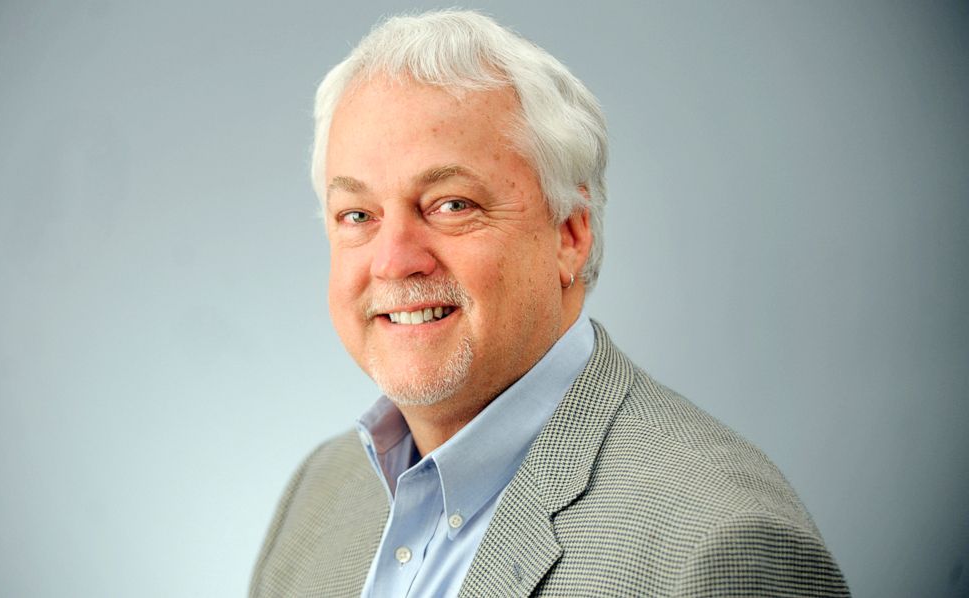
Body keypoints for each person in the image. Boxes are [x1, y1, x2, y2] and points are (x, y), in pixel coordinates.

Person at [250, 10, 849, 597]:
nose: (393, 260)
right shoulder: (318, 496)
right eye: (358, 216)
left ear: (569, 234)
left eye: (451, 204)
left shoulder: (722, 544)